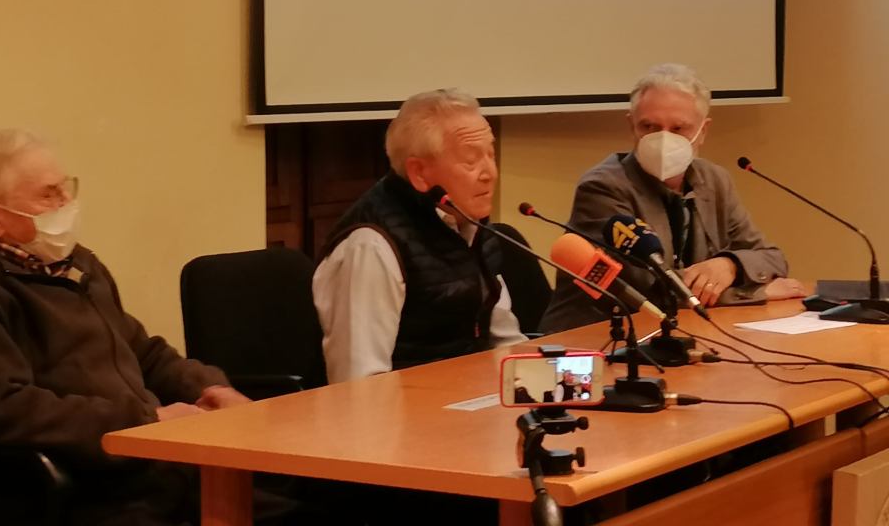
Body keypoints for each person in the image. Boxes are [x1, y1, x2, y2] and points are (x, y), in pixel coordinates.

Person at [0, 129, 252, 526]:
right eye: (48, 195)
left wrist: (210, 390)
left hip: (158, 468)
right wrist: (146, 423)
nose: (66, 204)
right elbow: (4, 409)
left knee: (296, 501)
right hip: (81, 491)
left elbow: (144, 353)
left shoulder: (78, 265)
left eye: (65, 189)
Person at [540, 64, 803, 334]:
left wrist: (729, 265)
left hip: (677, 331)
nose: (663, 139)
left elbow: (771, 258)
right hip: (595, 338)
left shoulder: (715, 181)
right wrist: (754, 293)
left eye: (678, 128)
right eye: (649, 127)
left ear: (703, 131)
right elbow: (645, 290)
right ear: (631, 125)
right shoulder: (602, 187)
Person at [313, 89, 527, 384]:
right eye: (470, 160)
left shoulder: (470, 224)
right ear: (420, 173)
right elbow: (360, 383)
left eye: (491, 154)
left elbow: (504, 341)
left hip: (469, 397)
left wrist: (536, 381)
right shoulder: (371, 245)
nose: (489, 173)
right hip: (407, 408)